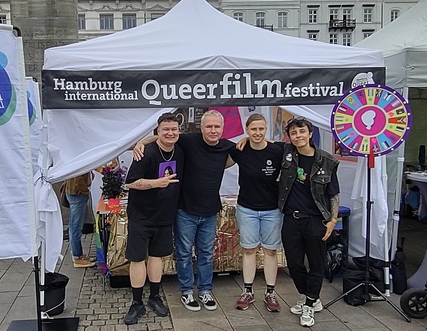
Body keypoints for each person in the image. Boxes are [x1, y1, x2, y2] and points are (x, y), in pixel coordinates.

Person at [134, 110, 234, 312]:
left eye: (217, 127)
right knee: (184, 253)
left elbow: (244, 152)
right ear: (201, 127)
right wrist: (141, 143)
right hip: (185, 211)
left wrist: (247, 141)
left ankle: (205, 291)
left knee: (206, 254)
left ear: (222, 129)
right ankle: (187, 292)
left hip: (209, 211)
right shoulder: (189, 141)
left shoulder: (228, 147)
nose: (213, 130)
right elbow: (165, 134)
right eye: (209, 126)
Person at [123, 113, 184, 325]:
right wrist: (154, 183)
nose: (170, 133)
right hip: (141, 216)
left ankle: (155, 297)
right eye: (165, 129)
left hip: (165, 216)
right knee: (138, 259)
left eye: (174, 129)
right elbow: (130, 183)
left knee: (157, 257)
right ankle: (136, 303)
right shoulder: (146, 153)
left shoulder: (181, 150)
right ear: (157, 130)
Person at [278, 116, 340, 327]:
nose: (298, 136)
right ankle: (310, 297)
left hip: (316, 221)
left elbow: (333, 194)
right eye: (294, 133)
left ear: (310, 134)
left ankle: (309, 303)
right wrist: (245, 140)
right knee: (294, 263)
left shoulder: (327, 160)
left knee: (316, 263)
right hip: (291, 219)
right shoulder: (286, 154)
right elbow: (261, 144)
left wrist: (332, 221)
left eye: (302, 132)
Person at [229, 114, 284, 312]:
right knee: (249, 250)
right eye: (253, 129)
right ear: (247, 129)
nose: (258, 133)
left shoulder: (277, 150)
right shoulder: (240, 150)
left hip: (272, 210)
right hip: (247, 209)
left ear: (266, 129)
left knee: (270, 251)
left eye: (261, 129)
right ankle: (248, 291)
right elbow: (219, 155)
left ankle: (270, 293)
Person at [65, 173, 95, 268]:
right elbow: (77, 177)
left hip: (76, 193)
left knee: (75, 226)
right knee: (76, 227)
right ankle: (77, 257)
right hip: (77, 194)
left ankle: (78, 254)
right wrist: (85, 190)